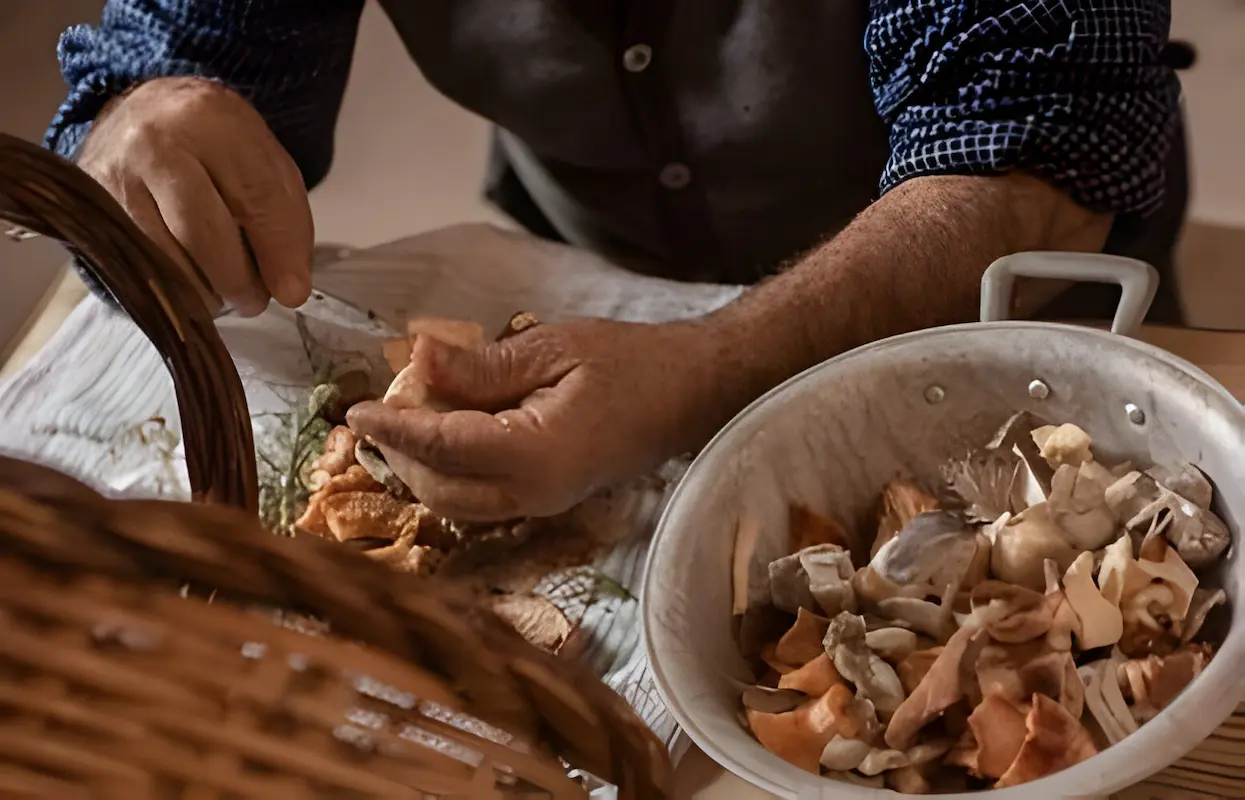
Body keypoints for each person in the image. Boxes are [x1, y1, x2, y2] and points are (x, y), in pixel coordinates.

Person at [48, 1, 1187, 522]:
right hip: (583, 254)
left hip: (1006, 299)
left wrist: (697, 371)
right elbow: (161, 68)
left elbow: (1035, 148)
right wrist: (134, 128)